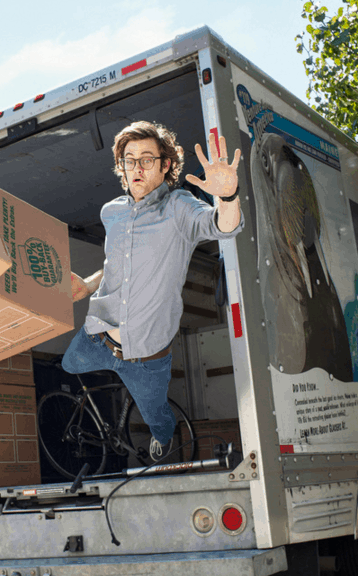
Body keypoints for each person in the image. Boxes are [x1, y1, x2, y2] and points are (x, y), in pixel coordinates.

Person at [64, 120, 244, 462]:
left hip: (145, 357)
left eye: (147, 159)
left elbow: (221, 226)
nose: (136, 167)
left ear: (165, 165)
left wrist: (228, 197)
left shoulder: (178, 206)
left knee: (156, 417)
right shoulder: (111, 213)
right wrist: (87, 285)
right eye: (129, 160)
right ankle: (112, 378)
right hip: (97, 339)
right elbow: (119, 263)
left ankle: (164, 434)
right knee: (68, 365)